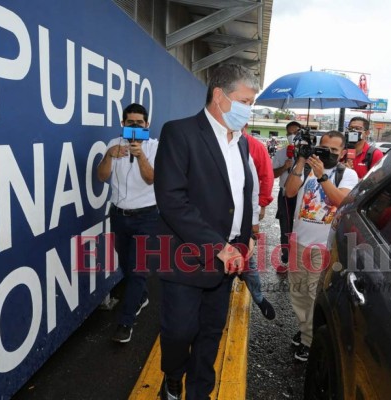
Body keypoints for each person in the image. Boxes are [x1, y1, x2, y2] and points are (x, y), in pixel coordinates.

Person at [154, 64, 259, 400]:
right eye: (244, 100)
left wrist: (247, 239)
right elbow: (171, 200)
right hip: (187, 254)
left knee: (211, 332)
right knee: (179, 332)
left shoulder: (241, 144)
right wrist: (217, 246)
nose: (249, 109)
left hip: (228, 259)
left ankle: (199, 392)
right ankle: (173, 376)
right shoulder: (179, 133)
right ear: (219, 96)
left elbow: (241, 196)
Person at [284, 130, 359, 361]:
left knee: (314, 294)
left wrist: (322, 177)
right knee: (297, 293)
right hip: (299, 242)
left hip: (323, 247)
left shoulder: (348, 174)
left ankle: (310, 341)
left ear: (342, 152)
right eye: (324, 147)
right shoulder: (306, 167)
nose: (327, 153)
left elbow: (341, 201)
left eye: (333, 150)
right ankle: (306, 330)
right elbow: (289, 191)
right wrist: (300, 159)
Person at [96, 103, 159, 343]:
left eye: (139, 123)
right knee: (127, 265)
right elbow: (101, 177)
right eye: (129, 122)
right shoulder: (114, 144)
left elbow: (151, 178)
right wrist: (109, 155)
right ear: (122, 124)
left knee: (138, 270)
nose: (134, 127)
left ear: (147, 125)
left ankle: (125, 323)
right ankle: (141, 297)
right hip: (119, 216)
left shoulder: (155, 147)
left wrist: (140, 154)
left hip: (147, 218)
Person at [241, 127, 276, 319]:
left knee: (248, 261)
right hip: (212, 220)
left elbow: (262, 181)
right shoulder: (206, 143)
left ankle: (259, 298)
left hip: (242, 219)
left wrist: (256, 216)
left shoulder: (251, 147)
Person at [272, 121, 301, 269]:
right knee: (285, 227)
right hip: (285, 196)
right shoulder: (281, 153)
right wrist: (285, 167)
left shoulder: (308, 153)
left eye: (295, 133)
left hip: (302, 197)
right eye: (289, 133)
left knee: (300, 227)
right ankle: (286, 258)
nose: (292, 136)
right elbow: (272, 174)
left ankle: (300, 259)